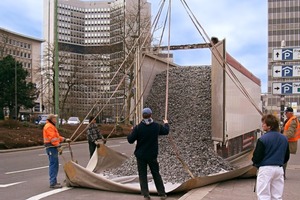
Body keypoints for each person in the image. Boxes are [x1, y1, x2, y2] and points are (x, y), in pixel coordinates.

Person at [127, 108, 169, 200]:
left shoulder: (138, 128)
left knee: (142, 174)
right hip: (152, 154)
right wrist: (166, 123)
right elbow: (166, 131)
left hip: (141, 155)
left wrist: (131, 131)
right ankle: (162, 193)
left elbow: (130, 140)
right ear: (151, 115)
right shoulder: (156, 126)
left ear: (142, 115)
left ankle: (146, 194)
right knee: (156, 173)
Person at [252, 114, 290, 200]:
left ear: (270, 126)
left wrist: (255, 163)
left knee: (263, 195)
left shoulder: (263, 139)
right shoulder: (284, 139)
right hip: (279, 169)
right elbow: (286, 156)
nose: (262, 125)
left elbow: (257, 156)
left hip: (266, 169)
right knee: (277, 195)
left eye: (264, 123)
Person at [43, 114, 71, 188]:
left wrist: (64, 139)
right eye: (55, 118)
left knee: (54, 164)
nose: (56, 120)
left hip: (52, 147)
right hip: (51, 147)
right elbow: (53, 139)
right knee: (54, 164)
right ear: (51, 119)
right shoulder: (49, 126)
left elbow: (56, 137)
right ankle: (53, 182)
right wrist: (58, 146)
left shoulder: (51, 126)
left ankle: (53, 181)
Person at [282, 107, 300, 178]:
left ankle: (282, 174)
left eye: (286, 113)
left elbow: (290, 133)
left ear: (290, 113)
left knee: (284, 158)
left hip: (289, 142)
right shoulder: (289, 120)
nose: (285, 114)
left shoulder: (292, 121)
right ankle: (282, 174)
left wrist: (281, 138)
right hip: (287, 142)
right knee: (284, 158)